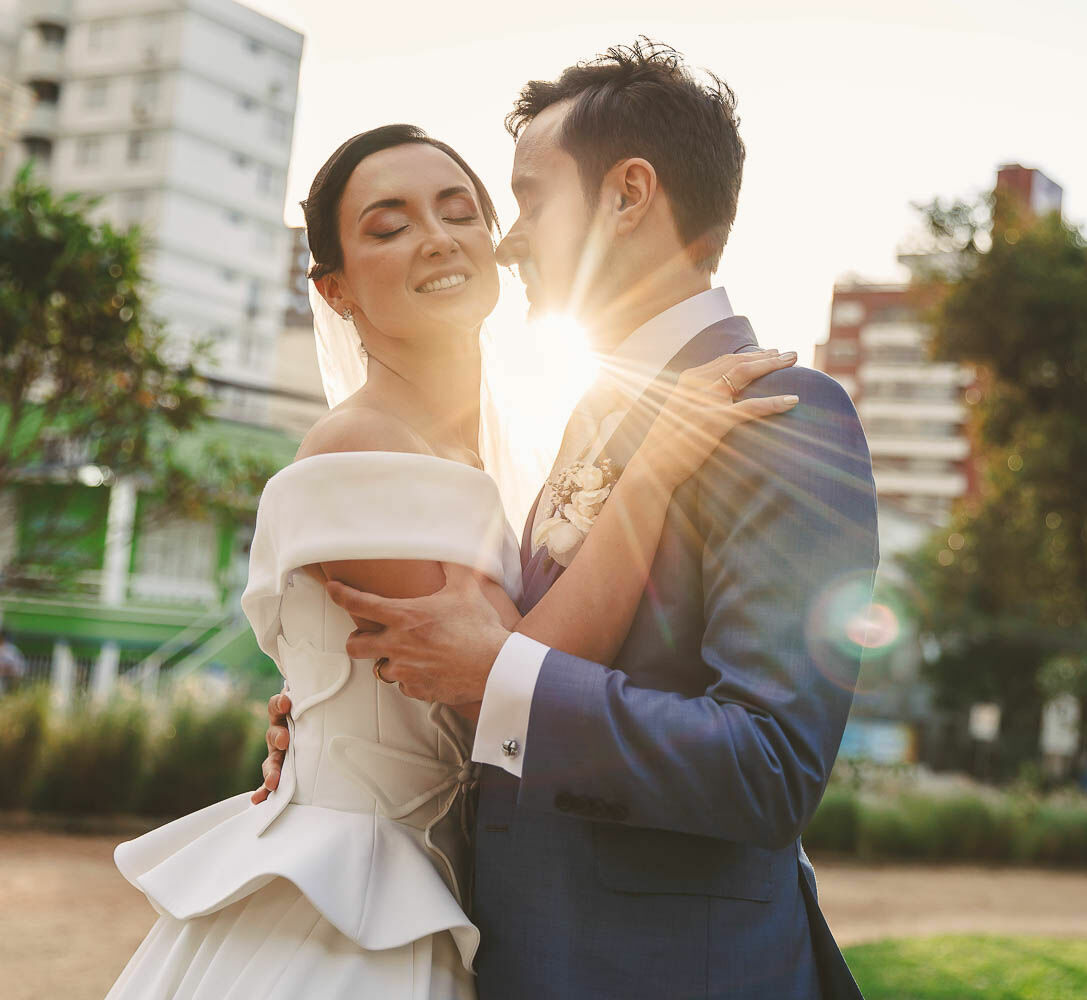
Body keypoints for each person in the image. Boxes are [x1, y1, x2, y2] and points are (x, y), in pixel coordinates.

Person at [104, 119, 799, 1000]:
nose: (436, 238)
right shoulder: (356, 451)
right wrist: (656, 471)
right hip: (353, 905)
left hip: (461, 891)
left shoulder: (499, 458)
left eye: (459, 211)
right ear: (337, 289)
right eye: (388, 227)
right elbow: (514, 677)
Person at [262, 40, 878, 999]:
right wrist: (348, 717)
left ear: (628, 196)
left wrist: (497, 680)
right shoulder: (591, 425)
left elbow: (767, 767)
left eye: (529, 201)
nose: (504, 241)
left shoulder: (779, 417)